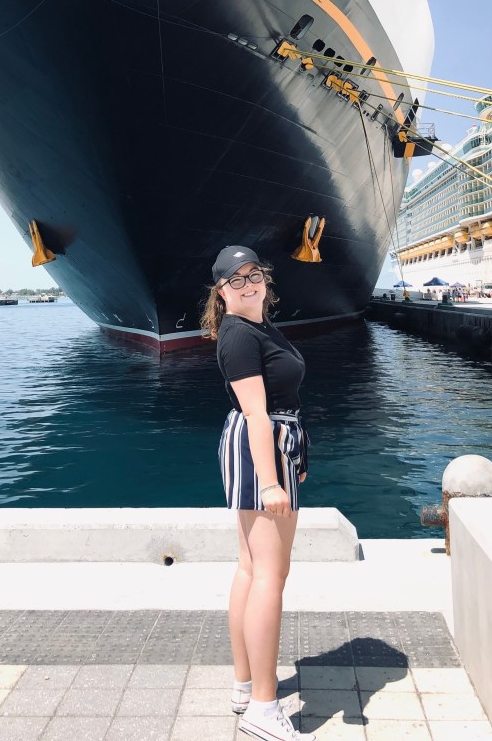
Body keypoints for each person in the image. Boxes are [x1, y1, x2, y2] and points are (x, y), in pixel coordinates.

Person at [201, 245, 313, 741]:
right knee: (271, 573)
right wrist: (271, 481)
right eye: (236, 280)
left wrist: (294, 462)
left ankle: (244, 686)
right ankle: (264, 712)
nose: (248, 285)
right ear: (221, 292)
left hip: (271, 444)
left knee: (250, 567)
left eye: (254, 275)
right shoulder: (239, 337)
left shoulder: (258, 327)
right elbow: (255, 414)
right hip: (258, 446)